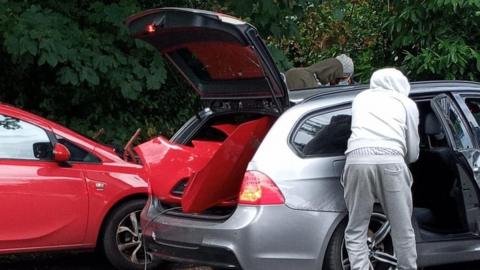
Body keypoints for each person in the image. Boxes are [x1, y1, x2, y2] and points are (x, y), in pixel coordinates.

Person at [342, 68, 419, 270]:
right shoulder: (406, 103)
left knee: (356, 228)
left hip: (357, 160)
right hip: (391, 160)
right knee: (403, 228)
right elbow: (413, 152)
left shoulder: (360, 98)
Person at [285, 54, 354, 90]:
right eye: (339, 78)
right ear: (332, 72)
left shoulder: (296, 71)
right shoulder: (309, 82)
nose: (338, 82)